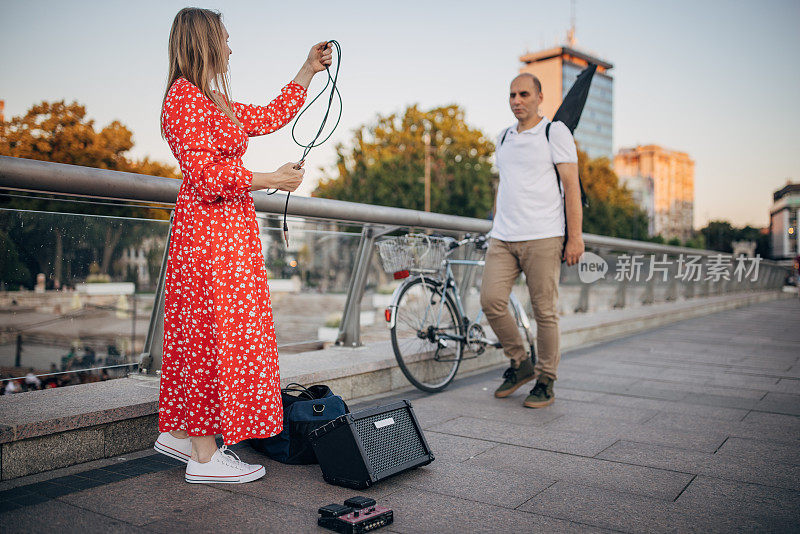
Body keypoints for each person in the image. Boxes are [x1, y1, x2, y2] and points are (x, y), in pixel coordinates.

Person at [152, 7, 331, 484]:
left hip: (226, 234)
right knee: (211, 336)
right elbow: (207, 177)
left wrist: (307, 69)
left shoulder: (211, 100)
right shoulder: (183, 100)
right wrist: (273, 177)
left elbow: (271, 114)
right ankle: (205, 458)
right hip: (209, 236)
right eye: (225, 39)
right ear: (206, 42)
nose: (231, 48)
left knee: (208, 334)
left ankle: (182, 433)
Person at [480, 73, 584, 408]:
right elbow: (505, 184)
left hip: (543, 235)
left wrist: (575, 238)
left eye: (524, 94)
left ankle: (546, 379)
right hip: (503, 237)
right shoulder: (503, 137)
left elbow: (571, 186)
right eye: (512, 95)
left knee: (544, 312)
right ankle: (521, 362)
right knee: (490, 300)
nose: (517, 100)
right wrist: (495, 223)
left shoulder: (555, 132)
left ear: (539, 97)